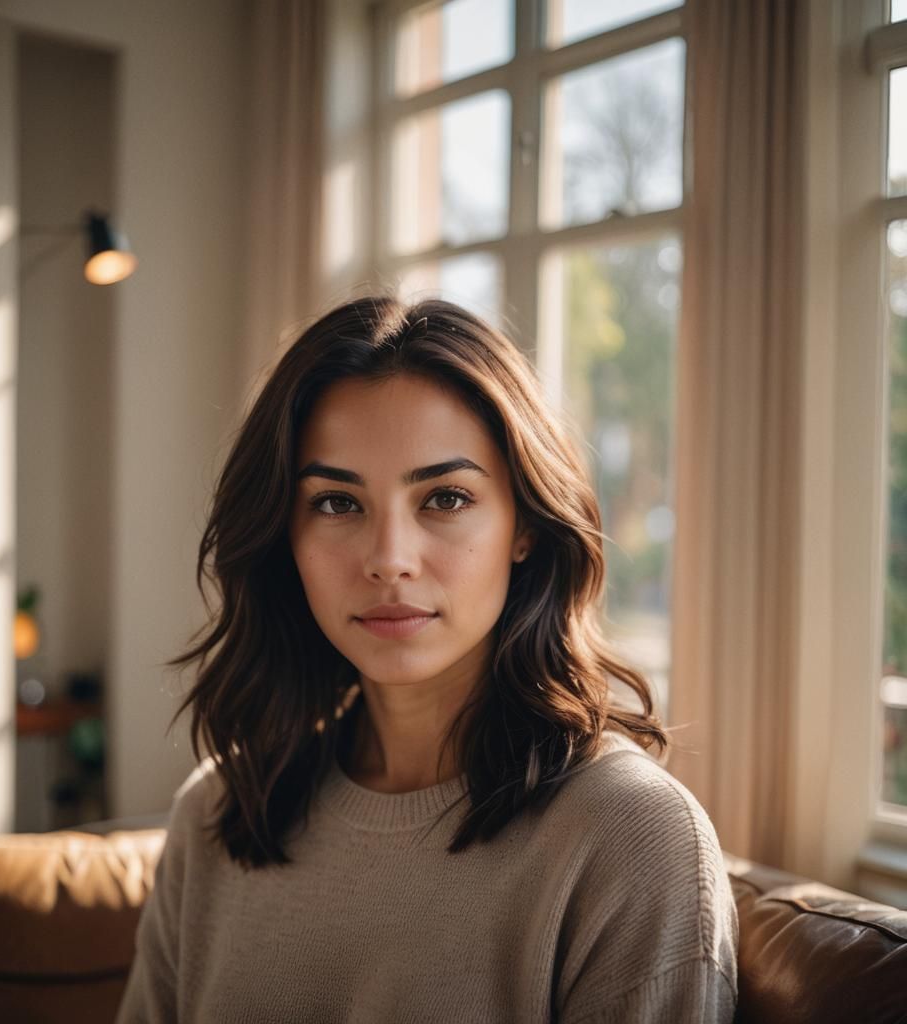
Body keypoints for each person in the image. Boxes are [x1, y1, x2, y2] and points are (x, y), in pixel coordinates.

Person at [115, 295, 738, 1023]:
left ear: (526, 526)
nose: (389, 561)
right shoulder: (218, 812)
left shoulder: (632, 841)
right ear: (286, 536)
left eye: (444, 497)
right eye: (337, 503)